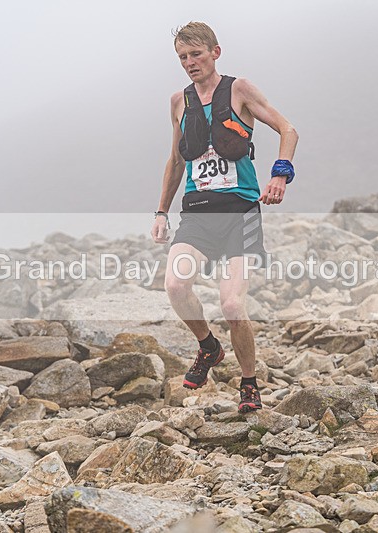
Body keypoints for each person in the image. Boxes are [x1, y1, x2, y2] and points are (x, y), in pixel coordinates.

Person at [150, 22, 298, 413]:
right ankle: (208, 347)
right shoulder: (178, 102)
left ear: (215, 52)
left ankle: (249, 384)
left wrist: (280, 175)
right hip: (198, 213)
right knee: (176, 286)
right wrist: (161, 212)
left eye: (195, 54)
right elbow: (176, 160)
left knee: (232, 305)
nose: (189, 63)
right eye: (182, 57)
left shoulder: (240, 90)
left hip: (241, 214)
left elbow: (288, 129)